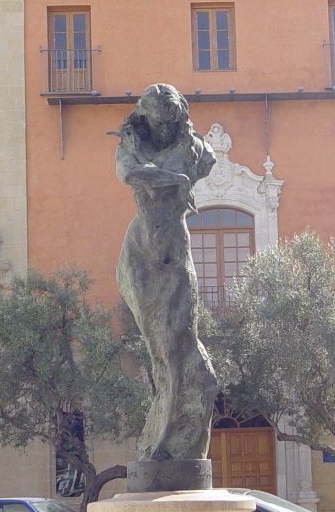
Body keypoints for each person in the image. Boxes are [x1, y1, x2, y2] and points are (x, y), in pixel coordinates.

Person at [115, 84, 218, 462]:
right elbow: (130, 175)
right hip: (141, 251)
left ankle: (175, 440)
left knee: (183, 343)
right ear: (145, 118)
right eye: (156, 122)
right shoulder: (129, 145)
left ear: (178, 119)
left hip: (175, 249)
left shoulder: (196, 150)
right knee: (158, 347)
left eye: (169, 122)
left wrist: (180, 177)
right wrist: (176, 180)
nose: (162, 129)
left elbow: (206, 163)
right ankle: (160, 439)